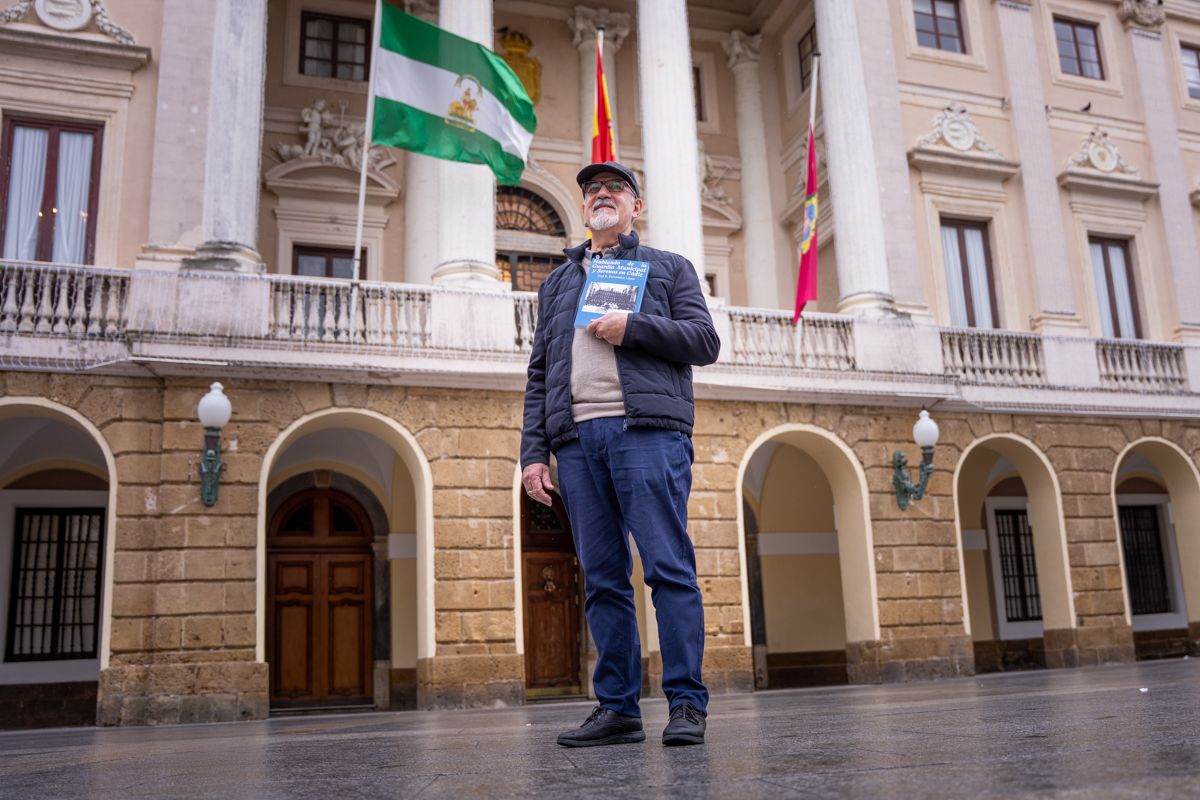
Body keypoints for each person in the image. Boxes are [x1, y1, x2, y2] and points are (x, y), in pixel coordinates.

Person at [520, 161, 720, 747]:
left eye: (615, 189)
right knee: (604, 579)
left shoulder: (667, 268)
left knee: (668, 569)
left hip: (647, 433)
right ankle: (618, 707)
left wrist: (634, 328)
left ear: (636, 205)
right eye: (592, 191)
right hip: (577, 443)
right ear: (585, 209)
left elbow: (703, 341)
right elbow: (539, 375)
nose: (601, 196)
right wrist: (534, 453)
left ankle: (685, 703)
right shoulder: (557, 284)